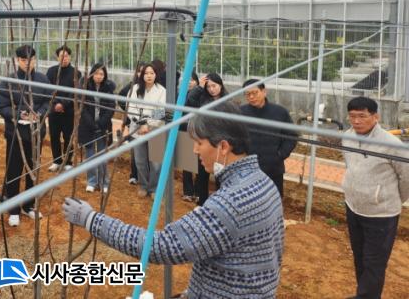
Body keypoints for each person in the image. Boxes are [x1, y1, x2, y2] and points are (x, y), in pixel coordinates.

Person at [63, 102, 284, 299]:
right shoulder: (263, 183)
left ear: (223, 147)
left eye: (199, 143)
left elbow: (161, 246)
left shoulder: (229, 204)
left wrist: (91, 219)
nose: (194, 150)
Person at [342, 96, 409, 299]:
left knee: (374, 262)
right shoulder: (347, 136)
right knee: (360, 257)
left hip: (381, 215)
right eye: (352, 116)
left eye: (362, 116)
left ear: (376, 117)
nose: (356, 121)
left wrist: (390, 199)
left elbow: (406, 177)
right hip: (353, 207)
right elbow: (349, 165)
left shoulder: (391, 144)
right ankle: (365, 294)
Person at [0, 44, 50, 227]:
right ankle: (13, 210)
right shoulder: (9, 81)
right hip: (16, 134)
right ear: (18, 61)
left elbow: (48, 101)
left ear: (35, 60)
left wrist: (39, 114)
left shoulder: (42, 80)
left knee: (32, 171)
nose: (28, 63)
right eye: (24, 60)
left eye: (31, 59)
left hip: (36, 134)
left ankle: (29, 206)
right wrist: (19, 114)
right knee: (14, 171)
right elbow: (1, 106)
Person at [240, 78, 295, 197]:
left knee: (274, 199)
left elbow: (291, 136)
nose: (251, 97)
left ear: (264, 92)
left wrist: (280, 154)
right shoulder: (240, 113)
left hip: (273, 168)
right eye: (247, 94)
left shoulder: (279, 112)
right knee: (249, 200)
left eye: (254, 93)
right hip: (248, 169)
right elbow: (234, 136)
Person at [124, 63, 167, 198]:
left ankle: (154, 188)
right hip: (137, 130)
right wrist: (141, 123)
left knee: (156, 163)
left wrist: (148, 124)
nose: (149, 76)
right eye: (146, 73)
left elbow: (162, 111)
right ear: (142, 75)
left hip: (156, 129)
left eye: (152, 73)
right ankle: (143, 185)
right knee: (140, 161)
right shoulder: (135, 89)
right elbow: (130, 108)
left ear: (156, 75)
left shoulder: (161, 91)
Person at [185, 72, 228, 206]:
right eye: (208, 87)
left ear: (221, 85)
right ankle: (202, 202)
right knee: (202, 174)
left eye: (214, 86)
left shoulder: (227, 101)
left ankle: (220, 204)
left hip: (221, 144)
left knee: (220, 174)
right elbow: (190, 102)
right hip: (205, 141)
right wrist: (199, 87)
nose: (211, 89)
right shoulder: (203, 99)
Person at [78, 63, 116, 193]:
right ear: (92, 74)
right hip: (87, 126)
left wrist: (101, 123)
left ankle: (104, 182)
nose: (99, 76)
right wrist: (91, 123)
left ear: (105, 76)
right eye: (96, 73)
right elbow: (82, 108)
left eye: (101, 74)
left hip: (103, 127)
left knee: (102, 154)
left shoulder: (108, 88)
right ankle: (92, 181)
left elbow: (111, 107)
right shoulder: (85, 87)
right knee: (90, 155)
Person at [46, 45, 81, 171]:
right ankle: (56, 161)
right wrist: (56, 104)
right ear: (57, 57)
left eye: (66, 56)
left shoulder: (76, 73)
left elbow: (75, 93)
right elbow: (48, 89)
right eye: (61, 56)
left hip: (69, 111)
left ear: (70, 57)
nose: (64, 58)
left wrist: (63, 104)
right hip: (54, 110)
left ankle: (67, 161)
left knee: (68, 136)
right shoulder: (51, 71)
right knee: (54, 136)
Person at [118, 63, 145, 186]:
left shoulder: (158, 89)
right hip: (134, 123)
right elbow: (121, 97)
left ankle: (145, 179)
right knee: (135, 151)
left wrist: (147, 121)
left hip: (150, 125)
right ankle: (134, 175)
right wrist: (131, 114)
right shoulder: (132, 86)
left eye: (145, 72)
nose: (142, 74)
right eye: (140, 71)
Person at [181, 71, 200, 201]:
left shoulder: (201, 95)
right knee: (187, 163)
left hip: (198, 133)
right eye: (186, 79)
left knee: (199, 163)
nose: (189, 82)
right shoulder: (181, 95)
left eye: (192, 80)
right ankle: (188, 191)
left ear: (197, 82)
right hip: (185, 131)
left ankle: (198, 192)